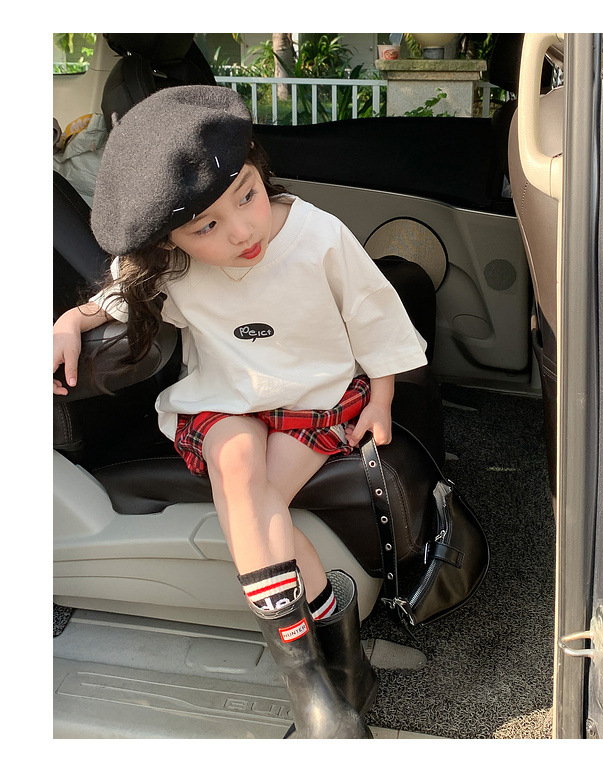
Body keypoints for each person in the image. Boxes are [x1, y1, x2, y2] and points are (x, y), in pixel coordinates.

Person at [52, 85, 428, 738]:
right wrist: (70, 320)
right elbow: (120, 295)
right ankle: (313, 686)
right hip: (226, 397)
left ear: (257, 168)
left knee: (258, 511)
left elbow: (374, 314)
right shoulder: (171, 268)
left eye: (247, 196)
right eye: (206, 227)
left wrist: (383, 395)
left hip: (312, 398)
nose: (242, 231)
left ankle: (341, 664)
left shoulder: (316, 235)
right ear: (168, 240)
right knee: (238, 466)